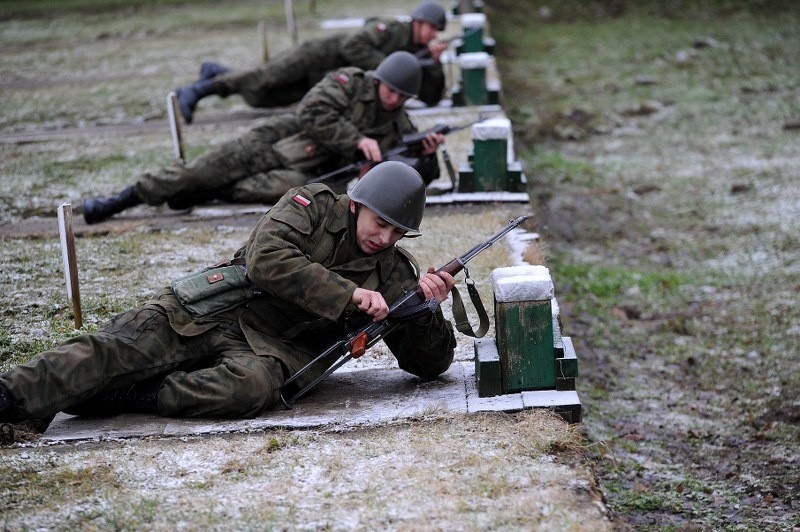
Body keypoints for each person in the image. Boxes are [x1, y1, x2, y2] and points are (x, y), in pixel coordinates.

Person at [0, 162, 457, 427]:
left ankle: (127, 398)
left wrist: (425, 310)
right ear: (357, 204)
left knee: (251, 390)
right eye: (381, 223)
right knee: (114, 348)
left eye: (398, 232)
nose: (386, 237)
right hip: (219, 307)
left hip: (276, 350)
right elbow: (267, 260)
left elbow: (428, 366)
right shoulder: (311, 206)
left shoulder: (396, 273)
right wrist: (349, 294)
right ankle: (11, 396)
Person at [81, 50, 446, 225]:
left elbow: (408, 181)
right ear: (379, 79)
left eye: (403, 96)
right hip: (273, 142)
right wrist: (357, 140)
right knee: (196, 172)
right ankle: (118, 201)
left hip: (311, 172)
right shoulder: (348, 82)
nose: (394, 99)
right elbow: (311, 113)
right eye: (391, 91)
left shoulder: (400, 124)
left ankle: (204, 195)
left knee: (266, 191)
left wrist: (426, 155)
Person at [175, 1, 449, 124]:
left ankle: (217, 72)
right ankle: (197, 91)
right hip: (317, 56)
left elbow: (431, 98)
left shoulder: (419, 54)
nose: (433, 34)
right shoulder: (389, 29)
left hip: (323, 80)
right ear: (419, 20)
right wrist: (390, 66)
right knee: (263, 78)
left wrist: (433, 64)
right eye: (432, 27)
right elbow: (351, 45)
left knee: (261, 97)